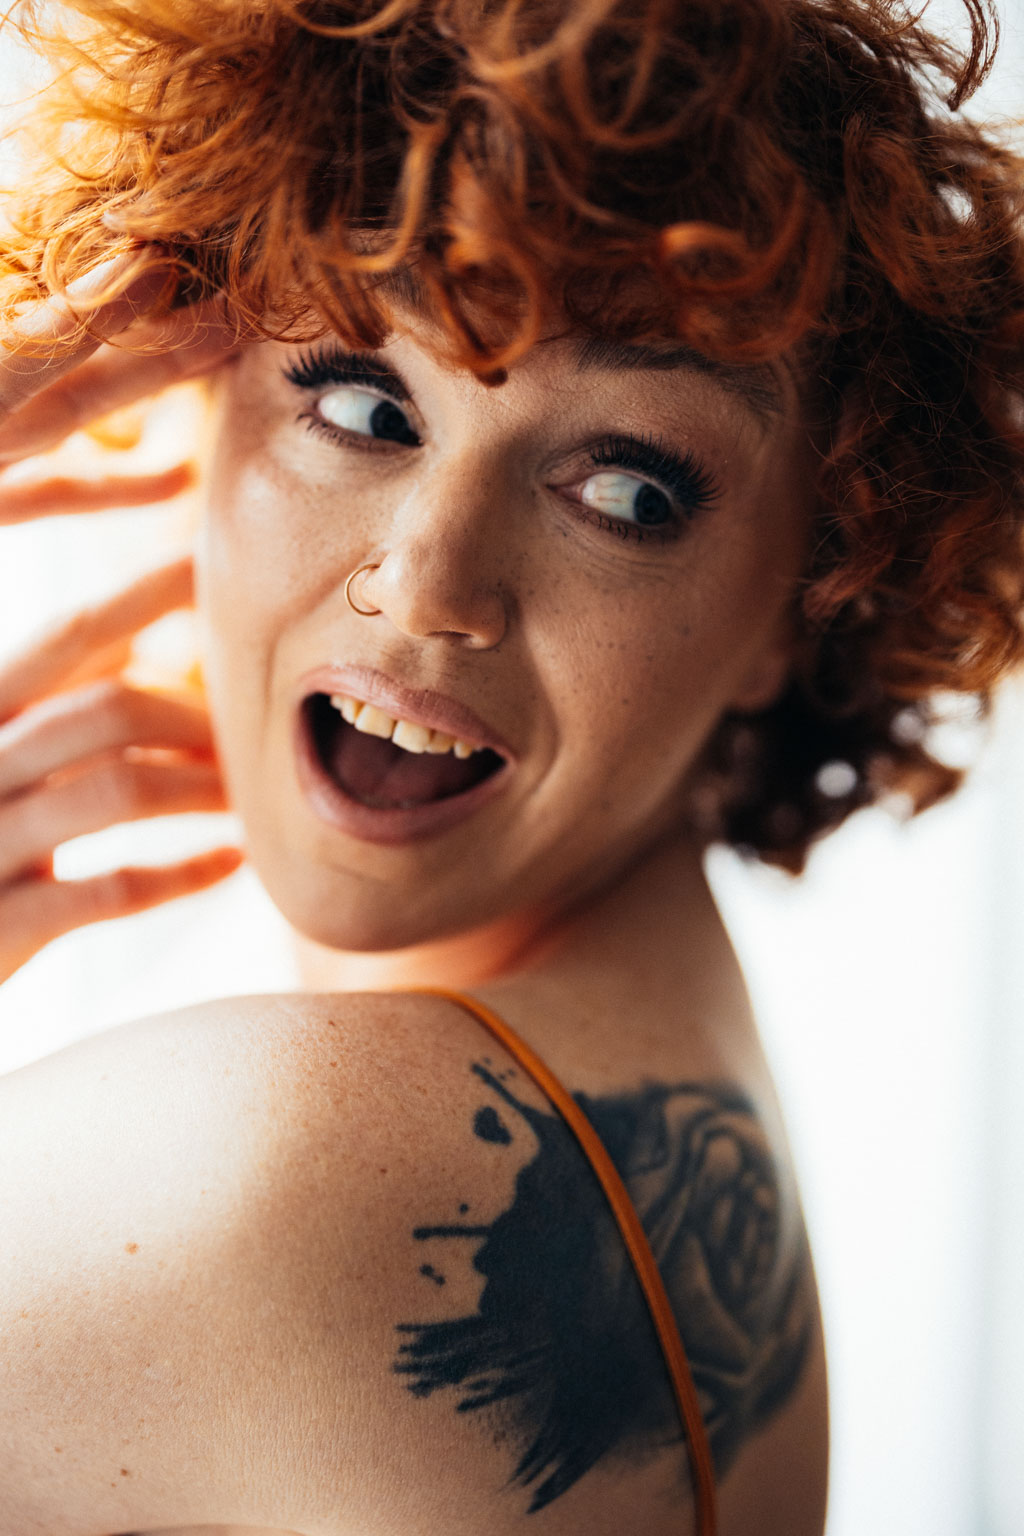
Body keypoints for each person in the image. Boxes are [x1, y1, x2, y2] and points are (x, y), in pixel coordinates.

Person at [0, 1, 1021, 1532]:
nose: (428, 585)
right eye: (363, 404)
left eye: (626, 492)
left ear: (810, 594)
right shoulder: (664, 1082)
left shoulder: (273, 1169)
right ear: (192, 393)